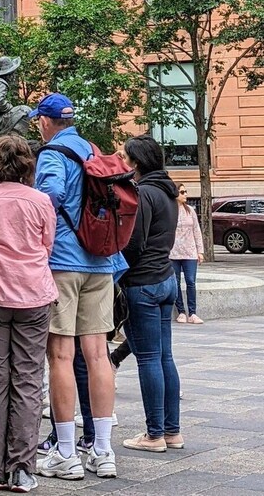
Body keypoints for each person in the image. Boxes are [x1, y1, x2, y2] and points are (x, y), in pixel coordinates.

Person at [33, 93, 126, 481]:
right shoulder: (92, 149)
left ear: (46, 121)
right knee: (98, 355)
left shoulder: (52, 153)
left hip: (64, 263)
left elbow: (50, 194)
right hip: (101, 261)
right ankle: (102, 450)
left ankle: (66, 452)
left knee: (60, 355)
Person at [0, 135, 57, 492]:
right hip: (34, 297)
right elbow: (46, 245)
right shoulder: (41, 201)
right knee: (28, 382)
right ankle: (22, 468)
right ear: (27, 165)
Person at [119, 135, 182, 453]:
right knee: (164, 357)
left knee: (148, 360)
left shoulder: (143, 193)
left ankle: (154, 435)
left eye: (124, 157)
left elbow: (133, 244)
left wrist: (117, 271)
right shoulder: (168, 191)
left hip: (142, 283)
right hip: (166, 279)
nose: (121, 162)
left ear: (136, 163)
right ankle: (172, 431)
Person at [170, 184, 204, 324]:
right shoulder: (170, 211)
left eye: (186, 192)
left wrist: (200, 251)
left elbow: (197, 230)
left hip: (190, 252)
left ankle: (193, 312)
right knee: (175, 282)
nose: (185, 194)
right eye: (182, 192)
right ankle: (181, 312)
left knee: (191, 282)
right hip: (173, 253)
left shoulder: (190, 210)